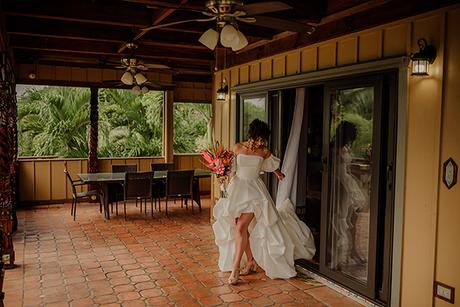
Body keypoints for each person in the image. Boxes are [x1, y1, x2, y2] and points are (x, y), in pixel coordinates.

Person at [212, 119, 298, 285]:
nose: (260, 142)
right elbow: (231, 168)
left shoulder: (264, 151)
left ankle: (236, 268)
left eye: (263, 140)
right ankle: (250, 261)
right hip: (237, 189)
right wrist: (222, 173)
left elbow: (271, 165)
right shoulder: (237, 147)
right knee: (240, 228)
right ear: (251, 135)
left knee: (240, 227)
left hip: (254, 192)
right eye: (258, 138)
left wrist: (278, 174)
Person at [330, 121, 367, 270]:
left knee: (353, 218)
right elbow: (330, 166)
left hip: (347, 180)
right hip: (339, 183)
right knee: (341, 217)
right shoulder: (334, 147)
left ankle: (353, 251)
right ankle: (339, 254)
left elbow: (348, 165)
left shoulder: (345, 147)